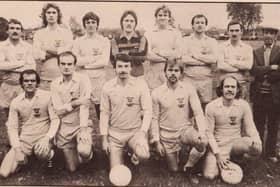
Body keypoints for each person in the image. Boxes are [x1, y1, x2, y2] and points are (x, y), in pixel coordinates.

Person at [150, 60, 207, 173]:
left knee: (202, 142)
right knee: (174, 170)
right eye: (170, 70)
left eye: (176, 70)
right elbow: (154, 118)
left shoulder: (189, 89)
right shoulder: (156, 92)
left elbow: (198, 113)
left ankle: (189, 165)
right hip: (166, 134)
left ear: (181, 73)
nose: (173, 73)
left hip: (185, 130)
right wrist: (157, 141)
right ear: (165, 72)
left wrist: (202, 132)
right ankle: (175, 153)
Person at [0, 69, 60, 178]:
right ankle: (26, 159)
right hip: (25, 140)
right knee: (4, 173)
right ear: (21, 83)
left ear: (37, 82)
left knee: (41, 153)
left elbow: (55, 120)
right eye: (26, 81)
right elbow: (12, 128)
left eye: (32, 80)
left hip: (42, 137)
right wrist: (17, 148)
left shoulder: (47, 96)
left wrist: (47, 138)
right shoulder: (16, 102)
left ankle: (51, 156)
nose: (29, 83)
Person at [203, 76, 262, 180]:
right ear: (221, 89)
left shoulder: (243, 105)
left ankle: (237, 158)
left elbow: (250, 128)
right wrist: (217, 155)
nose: (230, 89)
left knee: (256, 147)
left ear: (237, 89)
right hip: (218, 145)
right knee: (209, 176)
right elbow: (209, 133)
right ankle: (228, 163)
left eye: (233, 87)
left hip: (235, 144)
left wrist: (256, 141)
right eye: (227, 87)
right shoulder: (211, 106)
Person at [100, 53, 152, 170]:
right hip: (115, 134)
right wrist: (104, 139)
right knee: (116, 171)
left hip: (135, 133)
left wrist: (142, 134)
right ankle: (120, 152)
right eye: (120, 66)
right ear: (115, 68)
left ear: (131, 67)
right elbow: (104, 113)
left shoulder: (141, 85)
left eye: (126, 66)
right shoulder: (107, 87)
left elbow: (147, 111)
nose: (123, 70)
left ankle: (134, 153)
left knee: (144, 155)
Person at [50, 51, 93, 172]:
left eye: (70, 64)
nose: (66, 67)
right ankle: (75, 149)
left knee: (84, 151)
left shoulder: (83, 79)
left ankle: (89, 154)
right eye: (63, 64)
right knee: (72, 169)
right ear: (58, 65)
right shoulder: (54, 84)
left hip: (80, 125)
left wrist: (84, 129)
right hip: (64, 127)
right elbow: (58, 111)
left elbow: (85, 106)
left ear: (75, 65)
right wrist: (75, 103)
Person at [251, 25, 280, 163]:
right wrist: (270, 68)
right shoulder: (255, 52)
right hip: (259, 94)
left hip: (275, 94)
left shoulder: (279, 51)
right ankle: (258, 150)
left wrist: (266, 75)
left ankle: (270, 153)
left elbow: (279, 73)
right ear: (262, 35)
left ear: (276, 36)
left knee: (273, 124)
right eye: (266, 32)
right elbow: (254, 70)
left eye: (271, 33)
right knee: (258, 123)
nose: (268, 35)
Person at [73, 12, 110, 120]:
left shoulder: (104, 41)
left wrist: (85, 65)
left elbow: (104, 61)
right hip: (82, 78)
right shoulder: (78, 41)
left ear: (97, 24)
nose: (90, 25)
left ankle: (104, 131)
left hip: (98, 79)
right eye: (87, 22)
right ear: (84, 24)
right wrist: (93, 58)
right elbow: (75, 61)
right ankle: (81, 130)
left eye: (93, 22)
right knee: (82, 105)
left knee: (101, 107)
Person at [181, 14, 218, 109]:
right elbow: (184, 59)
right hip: (189, 79)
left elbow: (214, 59)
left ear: (206, 25)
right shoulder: (185, 40)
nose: (200, 25)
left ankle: (204, 124)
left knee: (206, 107)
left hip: (206, 80)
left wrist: (195, 56)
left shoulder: (212, 41)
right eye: (197, 22)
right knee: (188, 106)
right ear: (192, 25)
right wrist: (204, 61)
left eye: (202, 22)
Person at [33, 3, 73, 90]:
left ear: (58, 15)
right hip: (44, 78)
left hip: (63, 77)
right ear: (44, 15)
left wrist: (46, 49)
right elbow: (37, 54)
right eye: (48, 12)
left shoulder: (66, 33)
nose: (51, 15)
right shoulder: (39, 33)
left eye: (54, 12)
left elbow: (67, 53)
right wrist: (58, 52)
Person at [0, 19, 35, 117]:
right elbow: (0, 66)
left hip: (23, 86)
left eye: (18, 28)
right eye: (12, 28)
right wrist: (22, 63)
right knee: (9, 114)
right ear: (7, 31)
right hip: (7, 85)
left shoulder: (27, 47)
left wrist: (9, 66)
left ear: (21, 31)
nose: (15, 31)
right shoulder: (1, 46)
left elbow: (32, 67)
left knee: (25, 114)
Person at [145, 5, 182, 90]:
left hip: (171, 70)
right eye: (160, 15)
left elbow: (178, 53)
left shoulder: (176, 33)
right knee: (154, 97)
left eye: (165, 15)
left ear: (169, 18)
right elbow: (148, 54)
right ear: (156, 17)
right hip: (154, 72)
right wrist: (168, 57)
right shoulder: (149, 33)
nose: (162, 17)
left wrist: (159, 52)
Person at [217, 20, 253, 101]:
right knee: (224, 110)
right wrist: (239, 68)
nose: (234, 33)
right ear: (228, 32)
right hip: (225, 84)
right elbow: (220, 65)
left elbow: (248, 65)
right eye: (231, 30)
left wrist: (230, 62)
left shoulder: (247, 48)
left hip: (241, 84)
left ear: (241, 32)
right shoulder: (221, 47)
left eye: (237, 30)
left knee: (240, 108)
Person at [111, 10, 148, 78]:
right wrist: (134, 54)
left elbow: (142, 58)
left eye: (131, 21)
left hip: (138, 75)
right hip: (121, 75)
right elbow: (115, 58)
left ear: (135, 23)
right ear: (122, 23)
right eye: (126, 20)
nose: (129, 23)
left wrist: (124, 55)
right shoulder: (115, 40)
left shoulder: (142, 39)